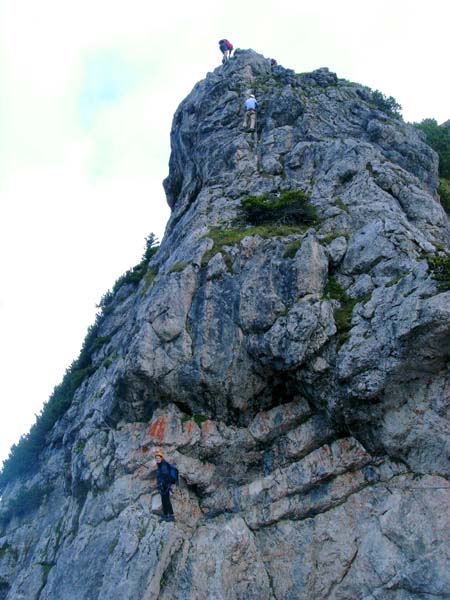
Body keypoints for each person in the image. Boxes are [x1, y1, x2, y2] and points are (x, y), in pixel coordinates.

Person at [155, 451, 175, 522]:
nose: (157, 459)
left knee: (166, 500)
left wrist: (163, 484)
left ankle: (171, 516)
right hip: (162, 486)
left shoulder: (163, 466)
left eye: (158, 458)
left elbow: (166, 476)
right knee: (164, 500)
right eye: (156, 458)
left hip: (165, 486)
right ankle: (166, 515)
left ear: (161, 458)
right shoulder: (160, 465)